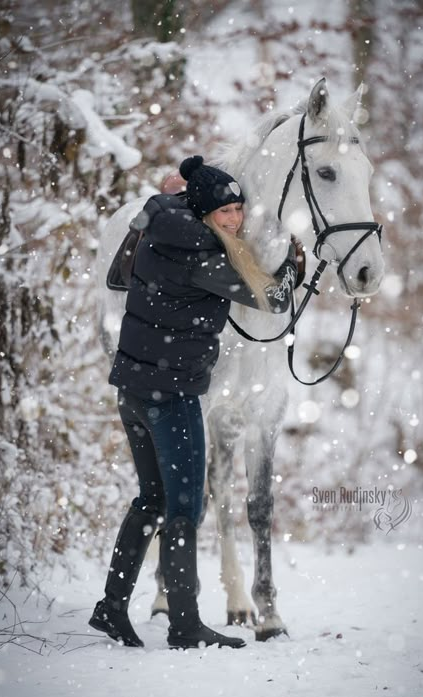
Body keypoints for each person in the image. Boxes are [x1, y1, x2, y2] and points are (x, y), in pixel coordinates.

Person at [89, 156, 298, 650]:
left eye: (238, 208)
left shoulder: (158, 230)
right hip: (173, 396)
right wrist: (292, 262)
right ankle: (185, 626)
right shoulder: (203, 257)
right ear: (202, 213)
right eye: (223, 210)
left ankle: (111, 608)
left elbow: (124, 276)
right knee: (185, 508)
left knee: (151, 499)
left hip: (134, 390)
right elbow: (272, 299)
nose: (234, 219)